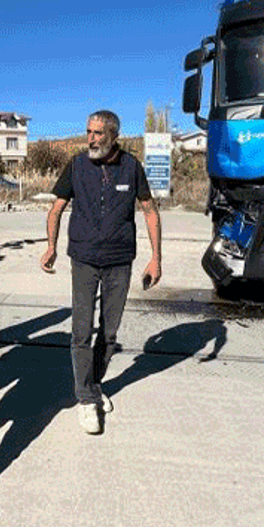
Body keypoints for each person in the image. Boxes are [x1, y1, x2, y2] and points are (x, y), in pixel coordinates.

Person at [40, 110, 162, 435]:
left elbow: (150, 211)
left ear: (113, 136)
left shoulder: (131, 167)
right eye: (88, 132)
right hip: (83, 258)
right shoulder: (77, 165)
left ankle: (93, 385)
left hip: (120, 260)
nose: (91, 139)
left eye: (97, 133)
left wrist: (156, 259)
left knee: (109, 334)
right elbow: (56, 209)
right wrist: (50, 246)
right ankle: (85, 399)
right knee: (81, 332)